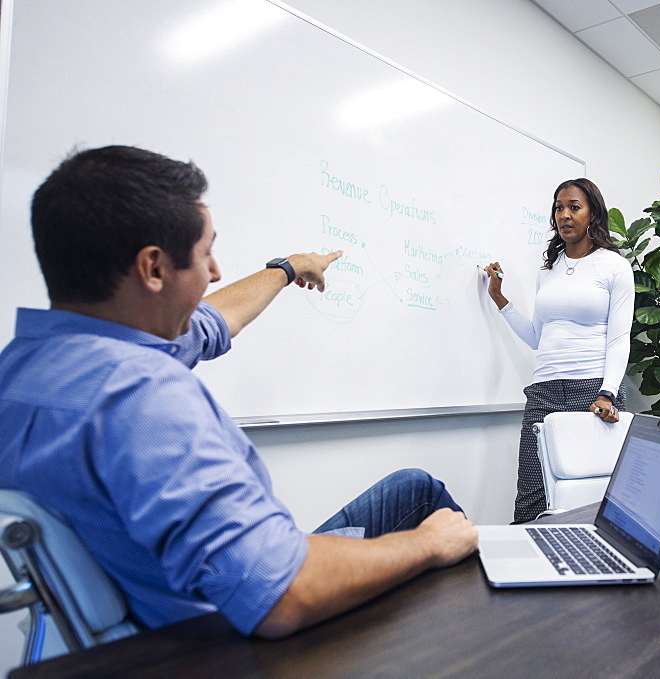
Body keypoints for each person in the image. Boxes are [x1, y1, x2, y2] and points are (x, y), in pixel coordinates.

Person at [0, 145, 478, 640]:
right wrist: (427, 544)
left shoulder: (29, 365)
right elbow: (280, 596)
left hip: (176, 601)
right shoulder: (142, 395)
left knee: (412, 487)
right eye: (206, 252)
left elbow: (210, 321)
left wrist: (288, 267)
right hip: (227, 635)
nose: (215, 272)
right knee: (441, 526)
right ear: (154, 269)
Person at [482, 178, 635, 523]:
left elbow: (619, 337)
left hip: (593, 390)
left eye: (574, 207)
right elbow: (538, 336)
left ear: (592, 213)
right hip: (544, 392)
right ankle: (529, 570)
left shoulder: (613, 266)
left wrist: (608, 392)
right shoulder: (548, 270)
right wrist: (499, 298)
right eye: (558, 207)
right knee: (531, 495)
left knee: (594, 496)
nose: (564, 215)